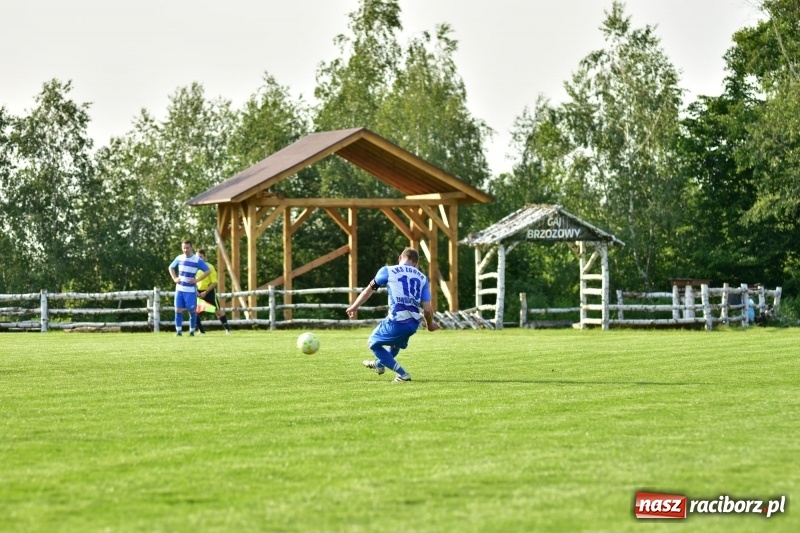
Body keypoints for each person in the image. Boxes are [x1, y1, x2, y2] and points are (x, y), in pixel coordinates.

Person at [346, 247, 439, 382]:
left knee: (373, 343)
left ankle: (402, 374)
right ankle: (379, 364)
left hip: (397, 320)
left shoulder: (388, 270)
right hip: (413, 324)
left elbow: (368, 290)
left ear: (400, 258)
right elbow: (428, 309)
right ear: (416, 263)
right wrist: (430, 324)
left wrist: (354, 307)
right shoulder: (422, 278)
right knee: (394, 345)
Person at [168, 239, 209, 336]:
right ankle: (178, 332)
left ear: (191, 248)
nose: (186, 250)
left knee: (192, 311)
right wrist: (174, 278)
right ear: (182, 248)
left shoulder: (197, 260)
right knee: (177, 310)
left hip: (190, 290)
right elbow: (171, 267)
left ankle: (191, 331)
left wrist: (197, 280)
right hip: (179, 289)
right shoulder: (179, 258)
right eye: (184, 248)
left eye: (187, 248)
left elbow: (207, 271)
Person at [195, 248, 232, 335]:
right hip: (197, 292)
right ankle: (201, 331)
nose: (199, 259)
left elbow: (214, 283)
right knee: (194, 312)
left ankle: (227, 329)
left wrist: (206, 292)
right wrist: (196, 291)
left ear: (205, 257)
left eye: (201, 257)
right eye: (197, 257)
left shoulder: (210, 267)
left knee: (217, 311)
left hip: (209, 292)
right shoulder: (194, 268)